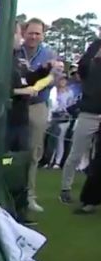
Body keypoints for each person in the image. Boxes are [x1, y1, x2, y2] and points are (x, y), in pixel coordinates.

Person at [14, 18, 57, 212]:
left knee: (33, 152)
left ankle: (29, 196)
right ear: (23, 33)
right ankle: (10, 192)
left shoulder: (49, 54)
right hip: (15, 106)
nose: (33, 36)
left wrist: (35, 85)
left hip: (38, 106)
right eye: (31, 32)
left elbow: (53, 79)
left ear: (43, 35)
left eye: (38, 33)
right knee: (12, 151)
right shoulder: (15, 51)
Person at [59, 38, 101, 204]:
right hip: (89, 112)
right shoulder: (95, 48)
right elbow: (82, 68)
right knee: (76, 153)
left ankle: (92, 196)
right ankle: (65, 188)